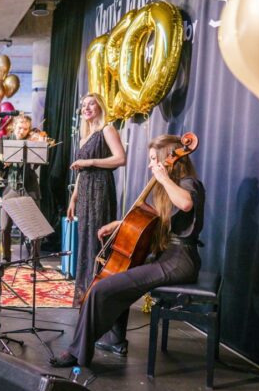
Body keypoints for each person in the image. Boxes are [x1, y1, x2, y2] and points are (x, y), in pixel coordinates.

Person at [51, 134, 204, 368]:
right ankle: (115, 339)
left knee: (103, 287)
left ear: (167, 159)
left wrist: (163, 178)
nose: (151, 165)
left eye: (154, 159)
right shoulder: (168, 187)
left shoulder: (188, 183)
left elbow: (185, 203)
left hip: (180, 260)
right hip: (167, 256)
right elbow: (155, 223)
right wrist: (120, 224)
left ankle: (78, 352)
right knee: (117, 278)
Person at [66, 93, 126, 305]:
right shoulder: (83, 137)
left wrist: (90, 161)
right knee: (85, 241)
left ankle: (99, 294)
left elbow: (121, 158)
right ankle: (85, 293)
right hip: (84, 193)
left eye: (91, 104)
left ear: (100, 106)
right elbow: (81, 172)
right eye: (83, 105)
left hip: (101, 189)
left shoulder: (107, 130)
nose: (86, 108)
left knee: (97, 239)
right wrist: (73, 198)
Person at [0, 115, 44, 263]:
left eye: (25, 129)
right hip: (10, 186)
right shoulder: (4, 140)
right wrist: (2, 157)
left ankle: (35, 259)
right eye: (20, 128)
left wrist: (39, 146)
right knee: (4, 227)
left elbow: (36, 165)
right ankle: (6, 258)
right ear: (14, 126)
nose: (22, 131)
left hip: (29, 186)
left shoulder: (31, 142)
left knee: (35, 225)